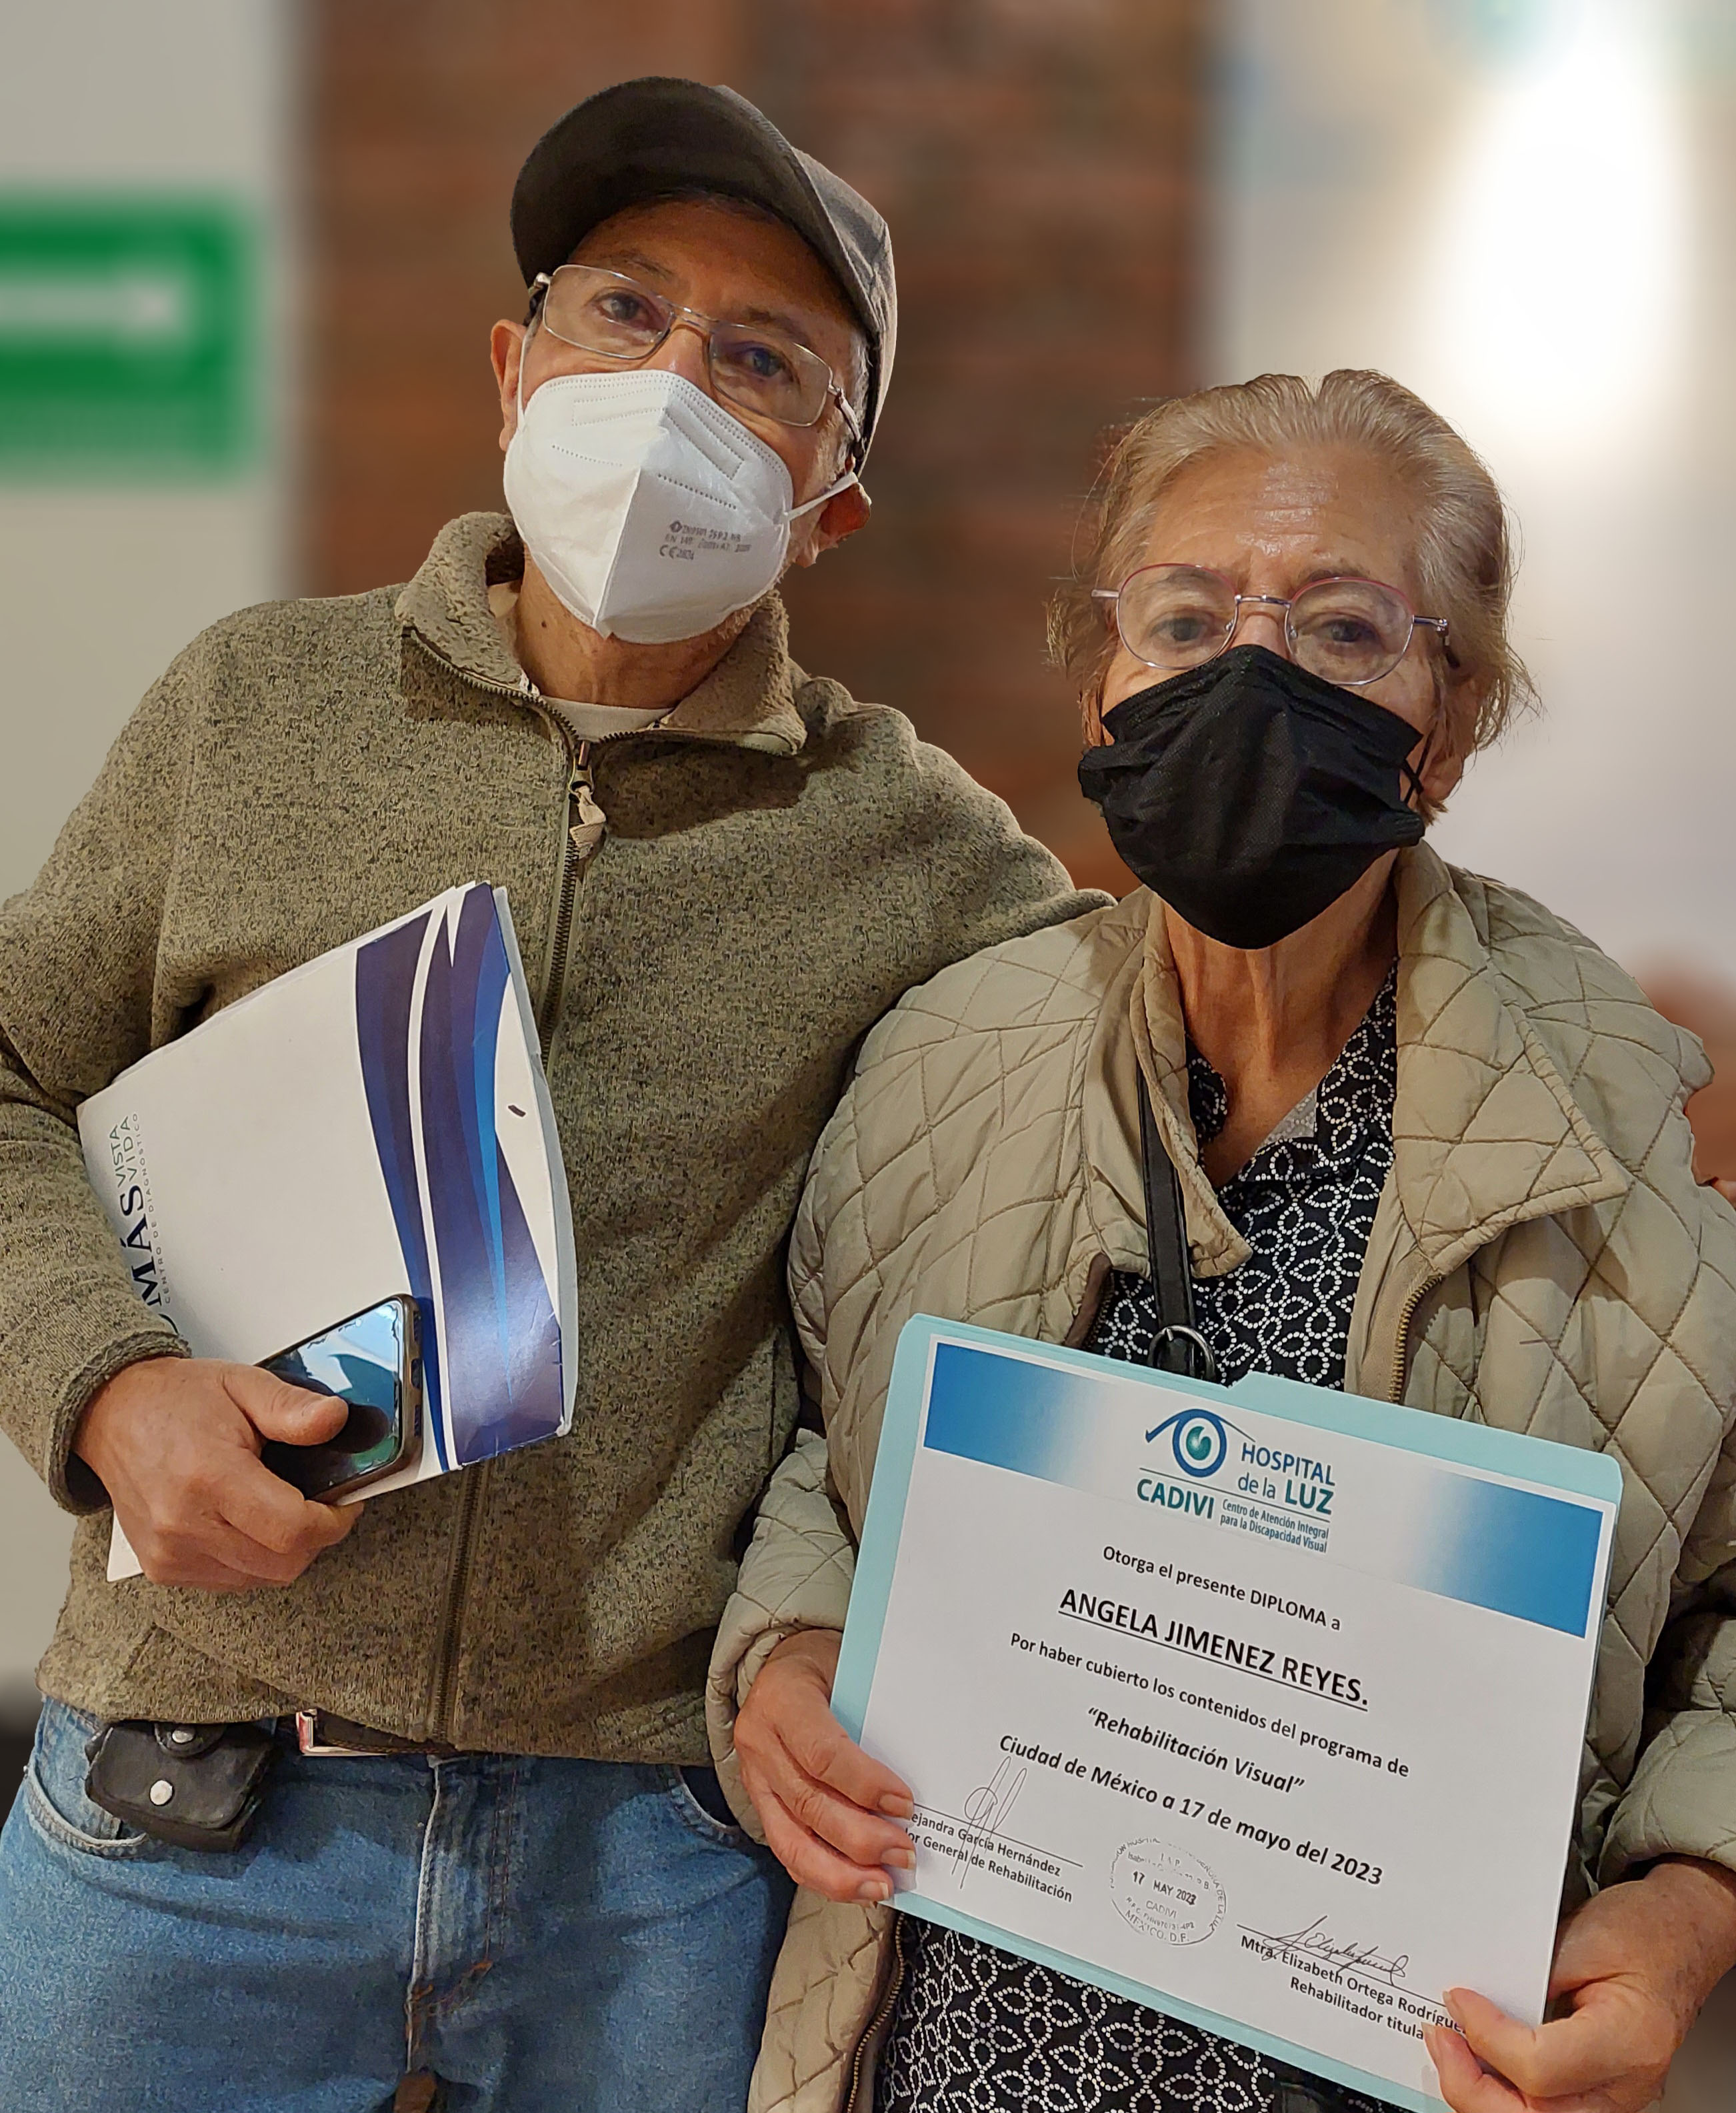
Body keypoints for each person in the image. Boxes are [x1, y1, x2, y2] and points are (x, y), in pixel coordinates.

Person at [0, 77, 1099, 2113]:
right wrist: (101, 1383)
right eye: (625, 309)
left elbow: (1157, 1098)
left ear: (828, 501)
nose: (674, 375)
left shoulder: (925, 852)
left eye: (761, 357)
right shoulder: (254, 705)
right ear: (517, 365)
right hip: (187, 1807)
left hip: (651, 1852)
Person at [710, 369, 1736, 2113]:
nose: (1250, 676)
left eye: (1342, 627)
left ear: (1451, 709)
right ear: (1100, 669)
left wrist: (1687, 1905)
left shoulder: (1627, 1114)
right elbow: (828, 1453)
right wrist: (786, 1659)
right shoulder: (937, 1062)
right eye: (1184, 616)